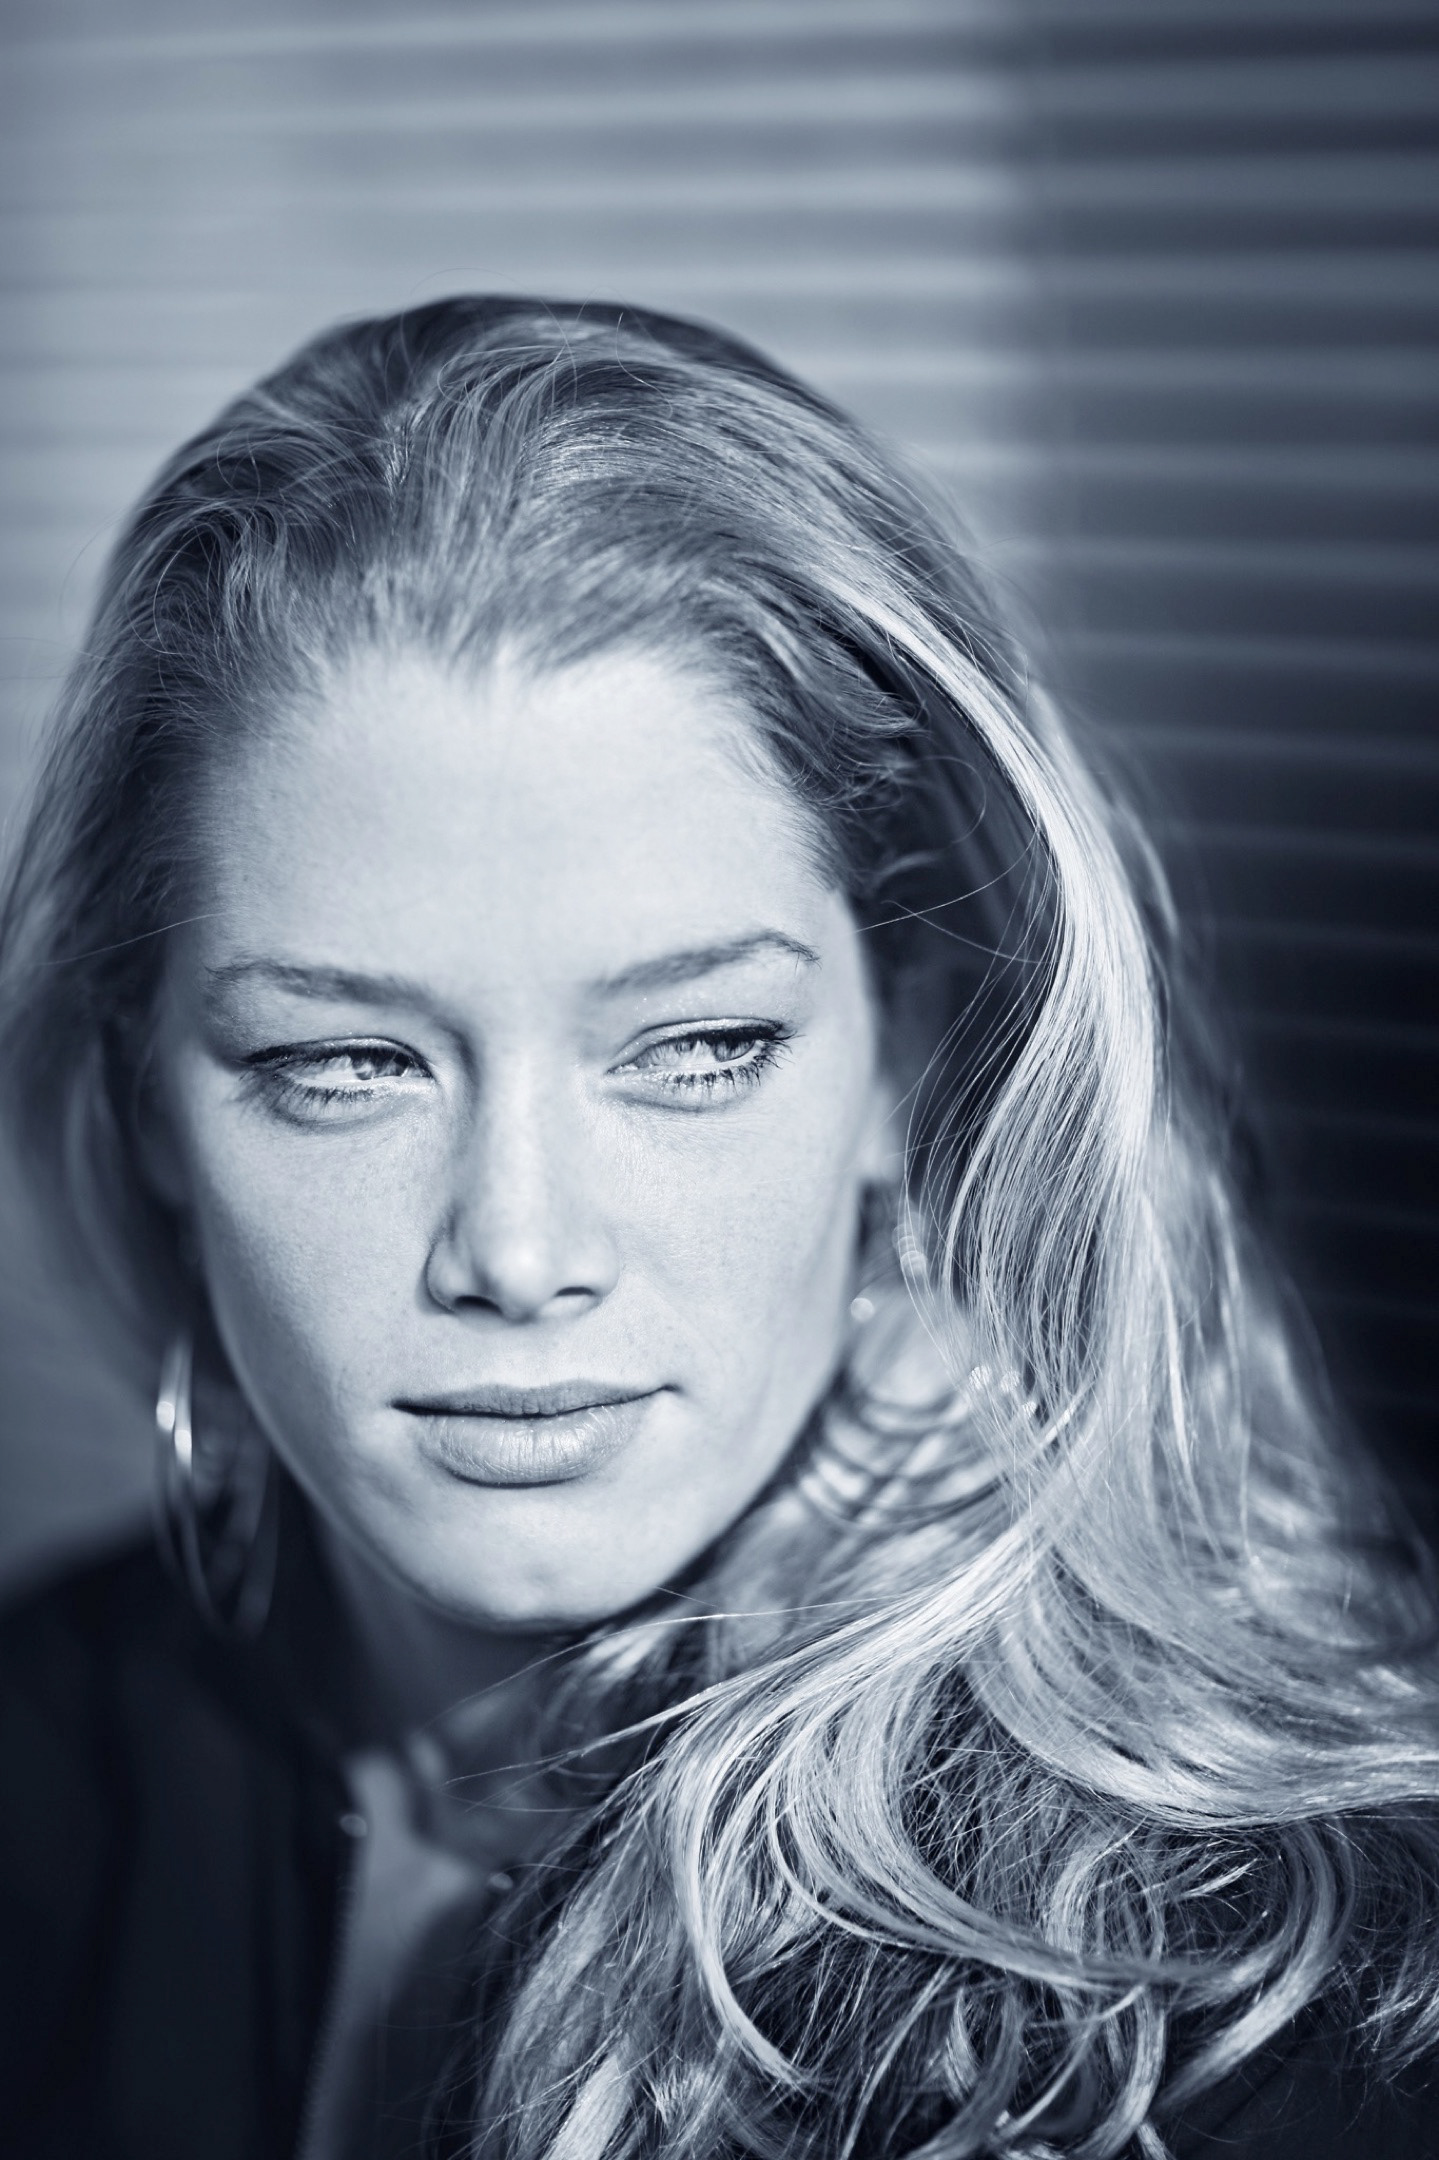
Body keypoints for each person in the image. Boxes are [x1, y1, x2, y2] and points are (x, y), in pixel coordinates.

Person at [0, 296, 1435, 2160]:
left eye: (696, 1049)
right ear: (145, 1102)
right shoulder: (49, 1744)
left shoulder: (1255, 2016)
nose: (518, 1253)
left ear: (907, 1055)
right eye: (344, 1063)